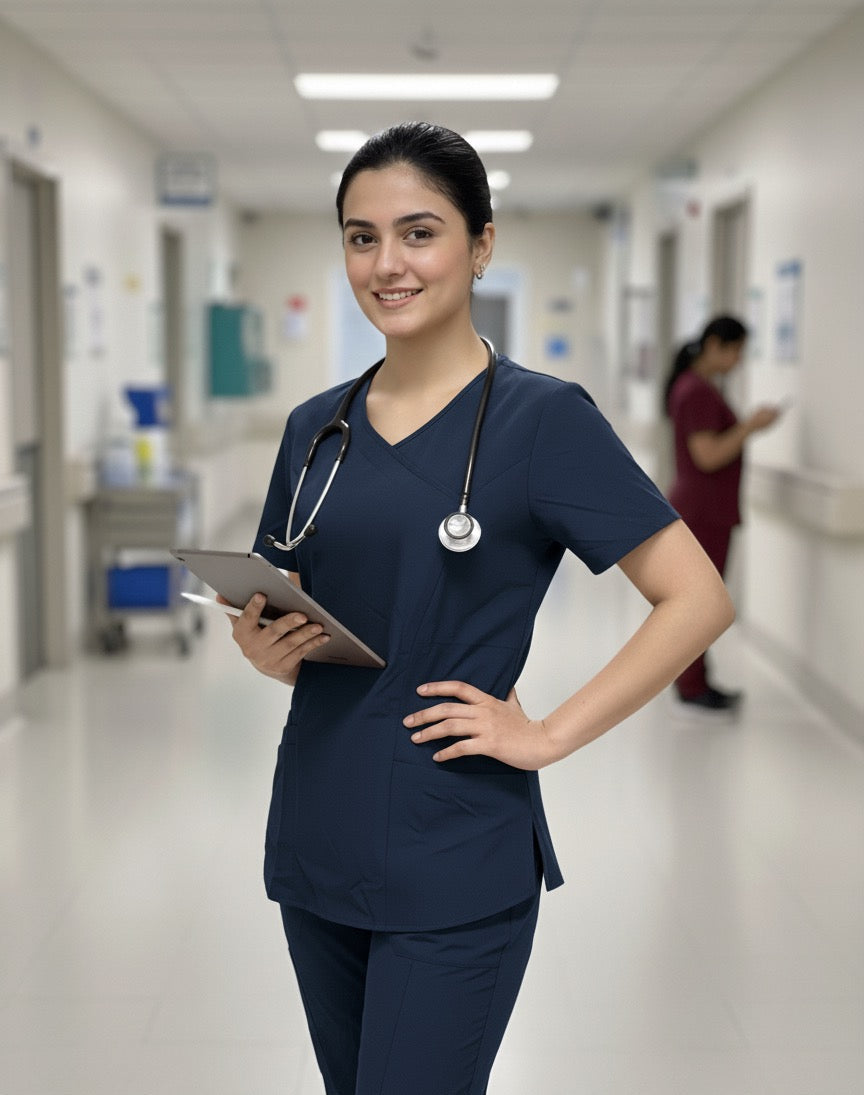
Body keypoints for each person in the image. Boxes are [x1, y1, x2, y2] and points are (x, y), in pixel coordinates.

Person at [222, 122, 734, 1095]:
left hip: (453, 842)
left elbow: (695, 597)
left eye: (419, 232)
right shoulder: (315, 429)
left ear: (481, 243)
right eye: (361, 237)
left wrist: (546, 734)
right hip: (318, 832)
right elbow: (282, 595)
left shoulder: (543, 422)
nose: (387, 263)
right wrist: (269, 647)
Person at [664, 315, 783, 712]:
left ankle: (694, 679)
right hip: (703, 510)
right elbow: (708, 454)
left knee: (699, 601)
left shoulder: (694, 386)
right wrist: (750, 426)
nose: (737, 361)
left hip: (704, 507)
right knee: (702, 603)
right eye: (735, 351)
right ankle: (692, 684)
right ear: (714, 344)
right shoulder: (697, 391)